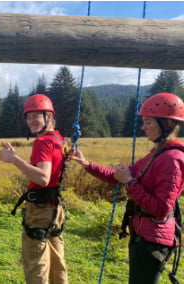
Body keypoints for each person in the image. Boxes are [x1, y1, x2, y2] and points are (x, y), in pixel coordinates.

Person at [69, 92, 184, 284]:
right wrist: (86, 164)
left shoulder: (171, 160)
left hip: (153, 240)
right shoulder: (157, 153)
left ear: (167, 124)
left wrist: (130, 183)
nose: (143, 127)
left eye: (148, 122)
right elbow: (119, 177)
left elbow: (161, 209)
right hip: (143, 235)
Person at [0, 94, 68, 284]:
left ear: (48, 116)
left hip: (40, 211)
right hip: (55, 208)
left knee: (36, 265)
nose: (31, 121)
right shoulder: (58, 139)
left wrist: (14, 159)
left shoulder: (42, 141)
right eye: (28, 117)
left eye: (36, 116)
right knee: (56, 262)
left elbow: (43, 177)